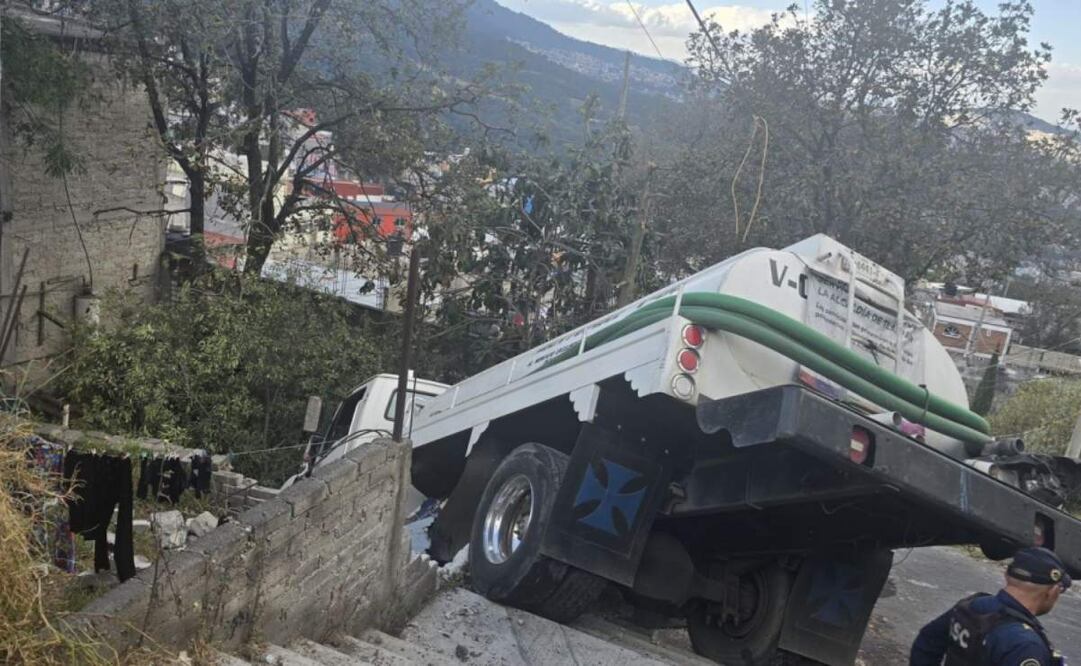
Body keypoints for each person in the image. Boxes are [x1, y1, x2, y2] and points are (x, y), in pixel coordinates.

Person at [910, 547, 1070, 665]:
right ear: (1053, 591)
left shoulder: (972, 606)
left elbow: (926, 642)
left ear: (1007, 575)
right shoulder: (1025, 645)